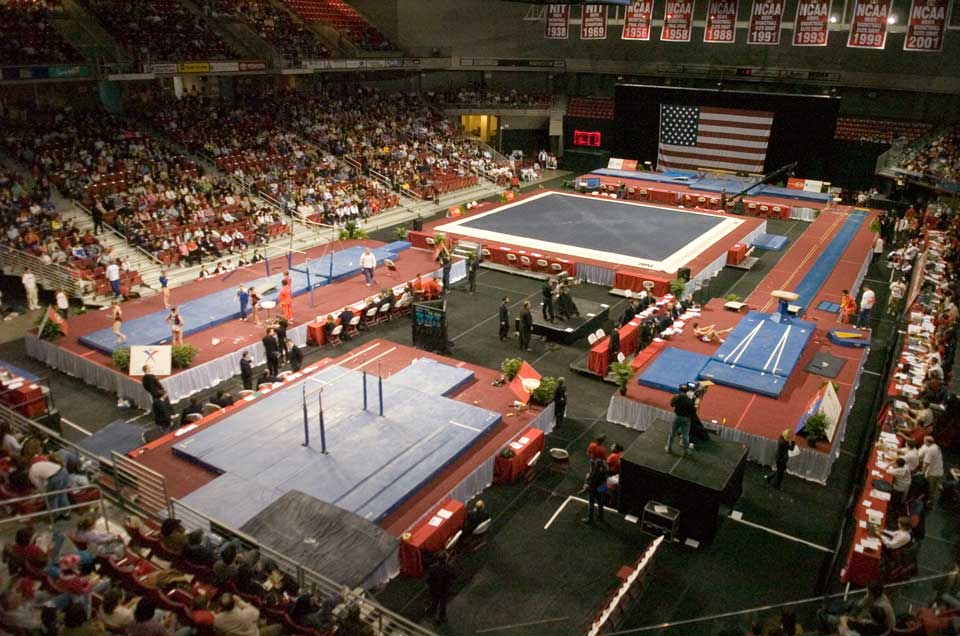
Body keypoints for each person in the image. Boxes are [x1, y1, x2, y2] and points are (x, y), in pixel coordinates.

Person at [214, 593, 281, 636]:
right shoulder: (248, 613)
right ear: (234, 602)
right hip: (254, 633)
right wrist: (239, 601)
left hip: (237, 632)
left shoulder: (218, 620)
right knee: (278, 627)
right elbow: (256, 613)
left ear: (221, 607)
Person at [667, 383, 697, 455]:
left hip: (677, 417)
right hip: (686, 419)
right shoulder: (689, 400)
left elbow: (671, 404)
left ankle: (668, 448)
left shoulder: (676, 397)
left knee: (672, 434)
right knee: (685, 435)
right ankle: (686, 451)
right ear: (687, 391)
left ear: (679, 390)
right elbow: (694, 411)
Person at [425, 552, 456, 622]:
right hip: (444, 589)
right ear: (445, 559)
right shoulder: (449, 568)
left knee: (434, 601)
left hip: (434, 589)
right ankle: (442, 617)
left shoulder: (433, 568)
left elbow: (428, 579)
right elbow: (454, 577)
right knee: (443, 603)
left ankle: (431, 611)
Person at [920, 435, 944, 507]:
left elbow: (926, 463)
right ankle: (930, 501)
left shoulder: (930, 450)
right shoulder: (935, 446)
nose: (923, 442)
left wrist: (922, 472)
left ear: (927, 442)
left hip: (933, 473)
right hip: (939, 471)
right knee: (934, 489)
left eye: (924, 441)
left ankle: (929, 503)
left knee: (931, 488)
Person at [583, 455, 607, 524]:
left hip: (593, 489)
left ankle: (590, 519)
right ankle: (601, 517)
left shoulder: (594, 473)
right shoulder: (604, 471)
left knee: (591, 504)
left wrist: (584, 490)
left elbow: (590, 482)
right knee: (600, 503)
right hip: (600, 489)